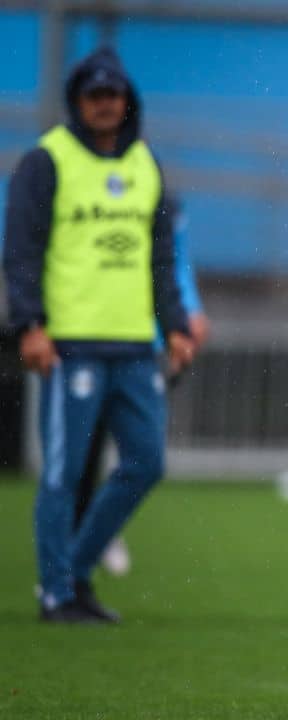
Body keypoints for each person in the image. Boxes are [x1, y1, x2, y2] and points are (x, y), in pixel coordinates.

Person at [2, 47, 193, 624]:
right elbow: (22, 251)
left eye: (114, 95)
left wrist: (176, 324)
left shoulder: (144, 163)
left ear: (127, 100)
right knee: (63, 470)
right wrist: (30, 324)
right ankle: (57, 592)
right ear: (77, 102)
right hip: (72, 344)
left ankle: (76, 570)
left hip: (135, 344)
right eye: (94, 96)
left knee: (146, 462)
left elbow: (161, 257)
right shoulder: (48, 161)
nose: (105, 105)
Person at [74, 194, 208, 578]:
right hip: (81, 340)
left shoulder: (159, 195)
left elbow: (173, 262)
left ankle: (94, 538)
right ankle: (65, 571)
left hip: (139, 343)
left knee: (143, 458)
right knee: (78, 459)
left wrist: (186, 313)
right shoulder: (71, 181)